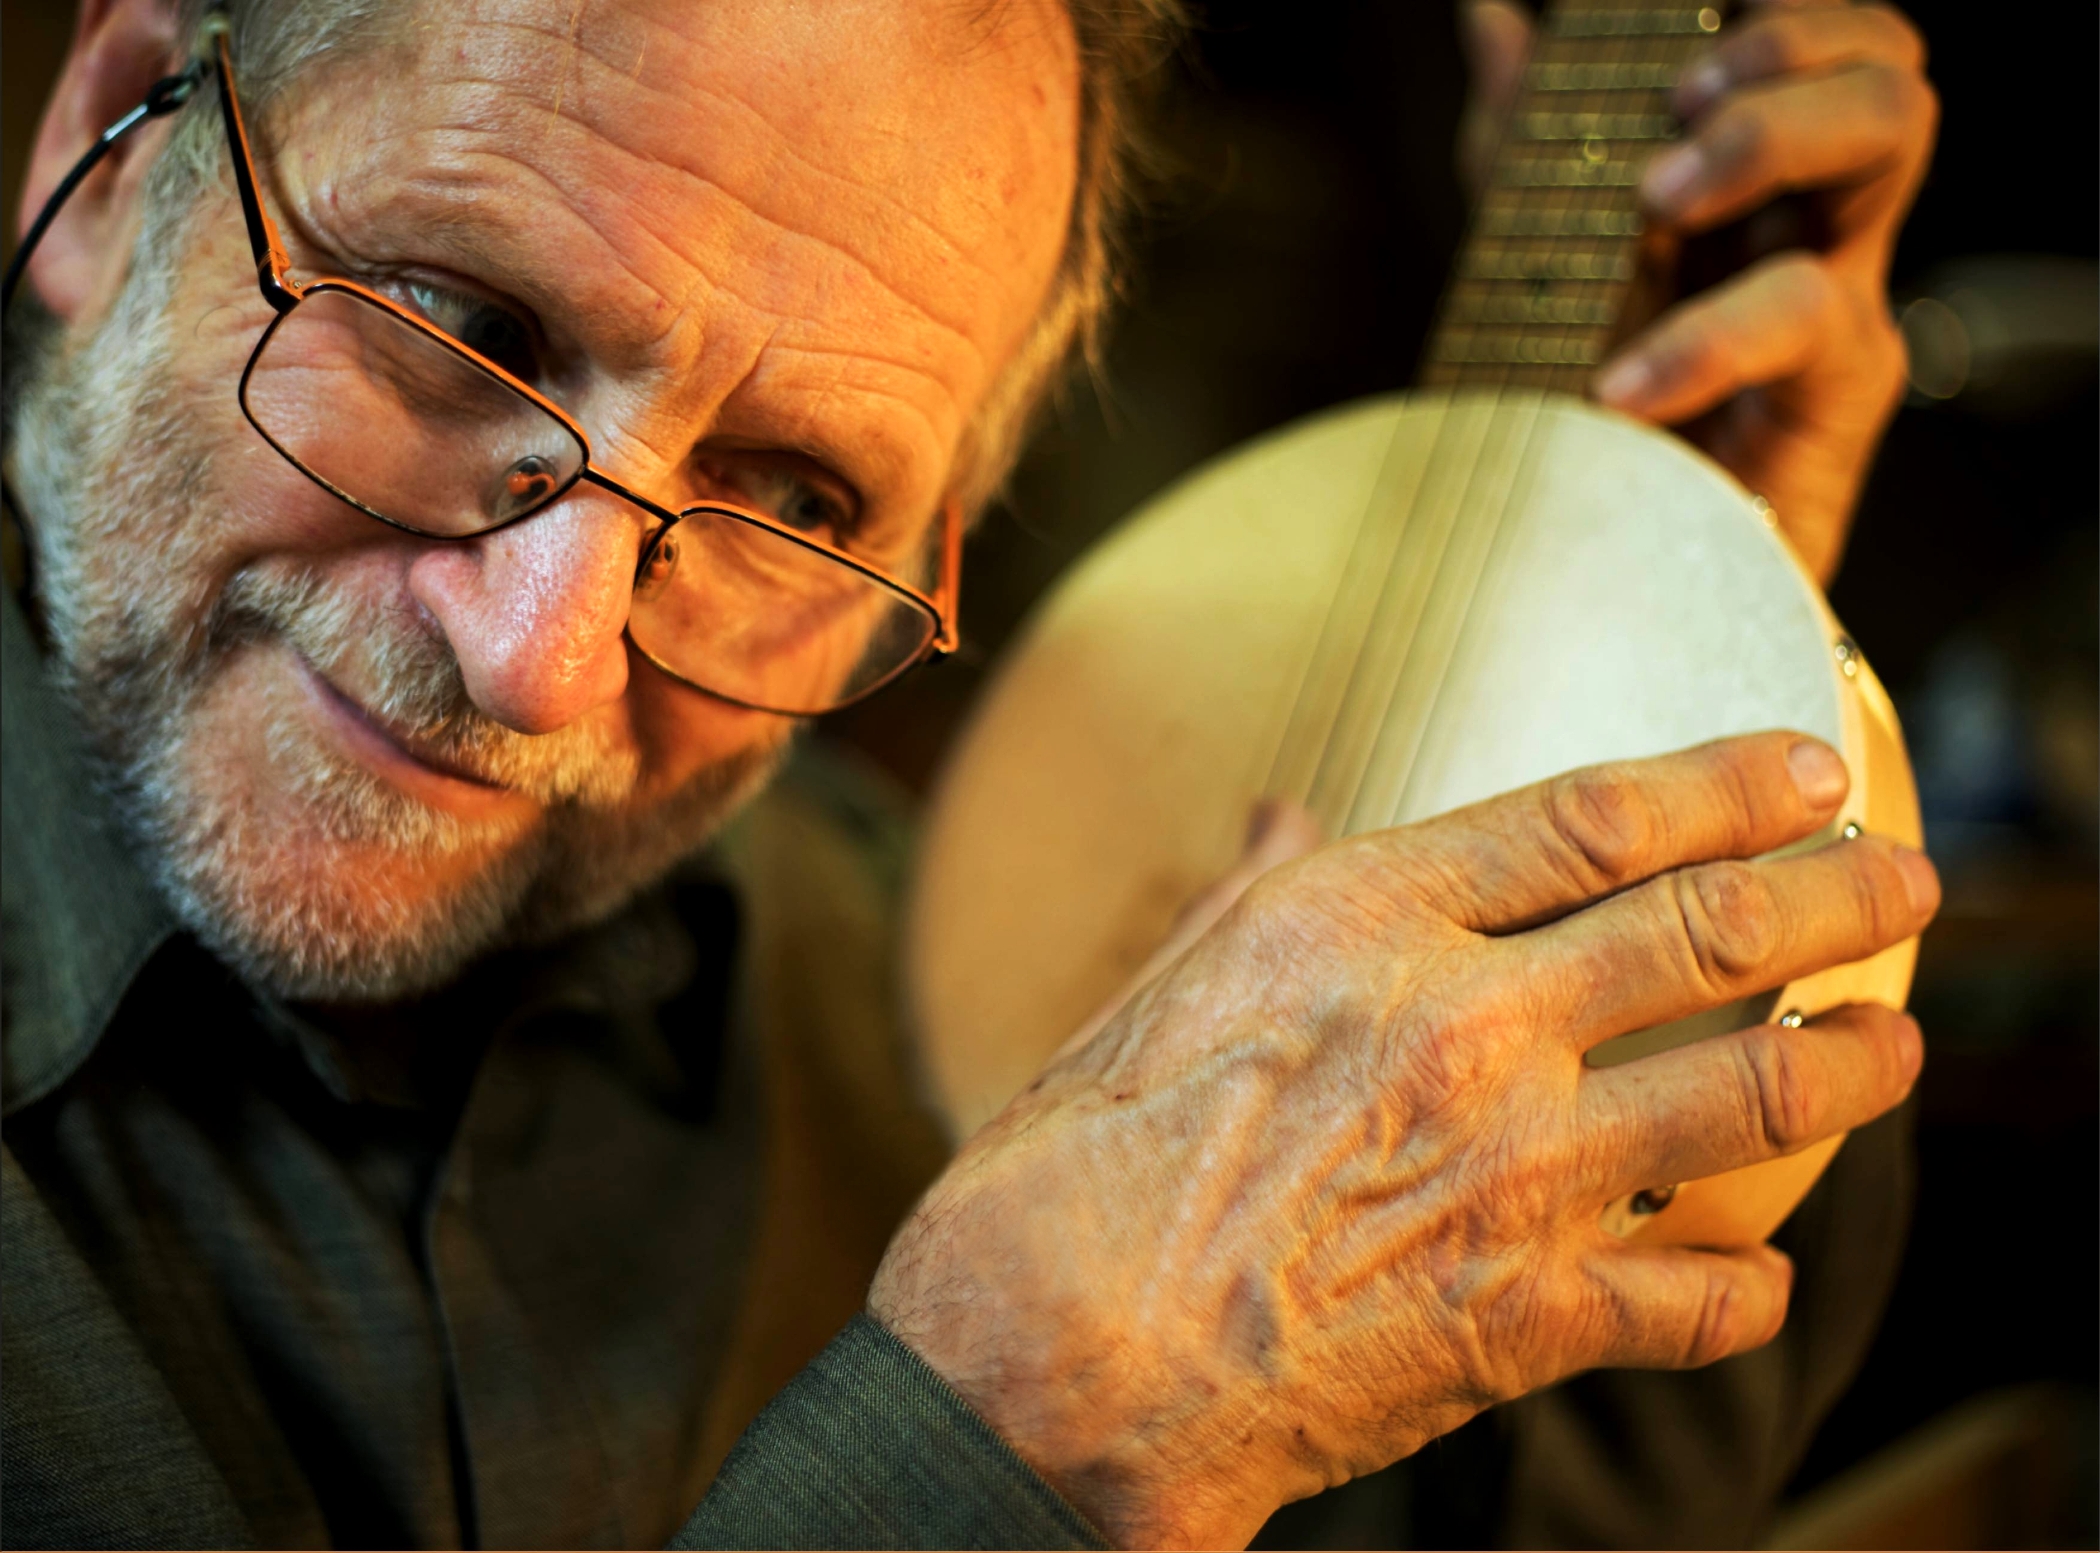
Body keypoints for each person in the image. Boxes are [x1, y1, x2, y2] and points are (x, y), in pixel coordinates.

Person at [0, 0, 1939, 1547]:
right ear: (116, 143)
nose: (542, 655)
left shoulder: (913, 948)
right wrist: (1023, 1457)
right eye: (456, 321)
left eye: (792, 495)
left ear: (926, 573)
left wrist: (1671, 633)